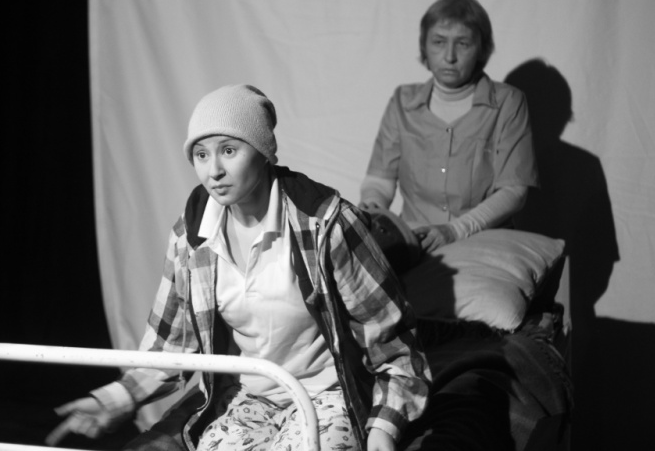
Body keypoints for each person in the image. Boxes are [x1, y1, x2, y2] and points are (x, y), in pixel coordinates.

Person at [47, 84, 430, 451]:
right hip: (247, 396)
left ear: (264, 152)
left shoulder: (326, 224)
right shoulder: (192, 235)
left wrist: (385, 425)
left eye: (228, 150)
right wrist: (114, 399)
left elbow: (393, 343)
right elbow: (172, 345)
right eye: (201, 155)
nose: (213, 170)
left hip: (327, 395)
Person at [359, 0, 538, 253]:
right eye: (439, 42)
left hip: (484, 243)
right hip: (414, 242)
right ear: (424, 47)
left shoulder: (508, 103)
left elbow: (514, 191)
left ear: (481, 49)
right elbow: (379, 180)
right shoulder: (403, 102)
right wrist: (373, 207)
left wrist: (455, 231)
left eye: (463, 43)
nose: (450, 56)